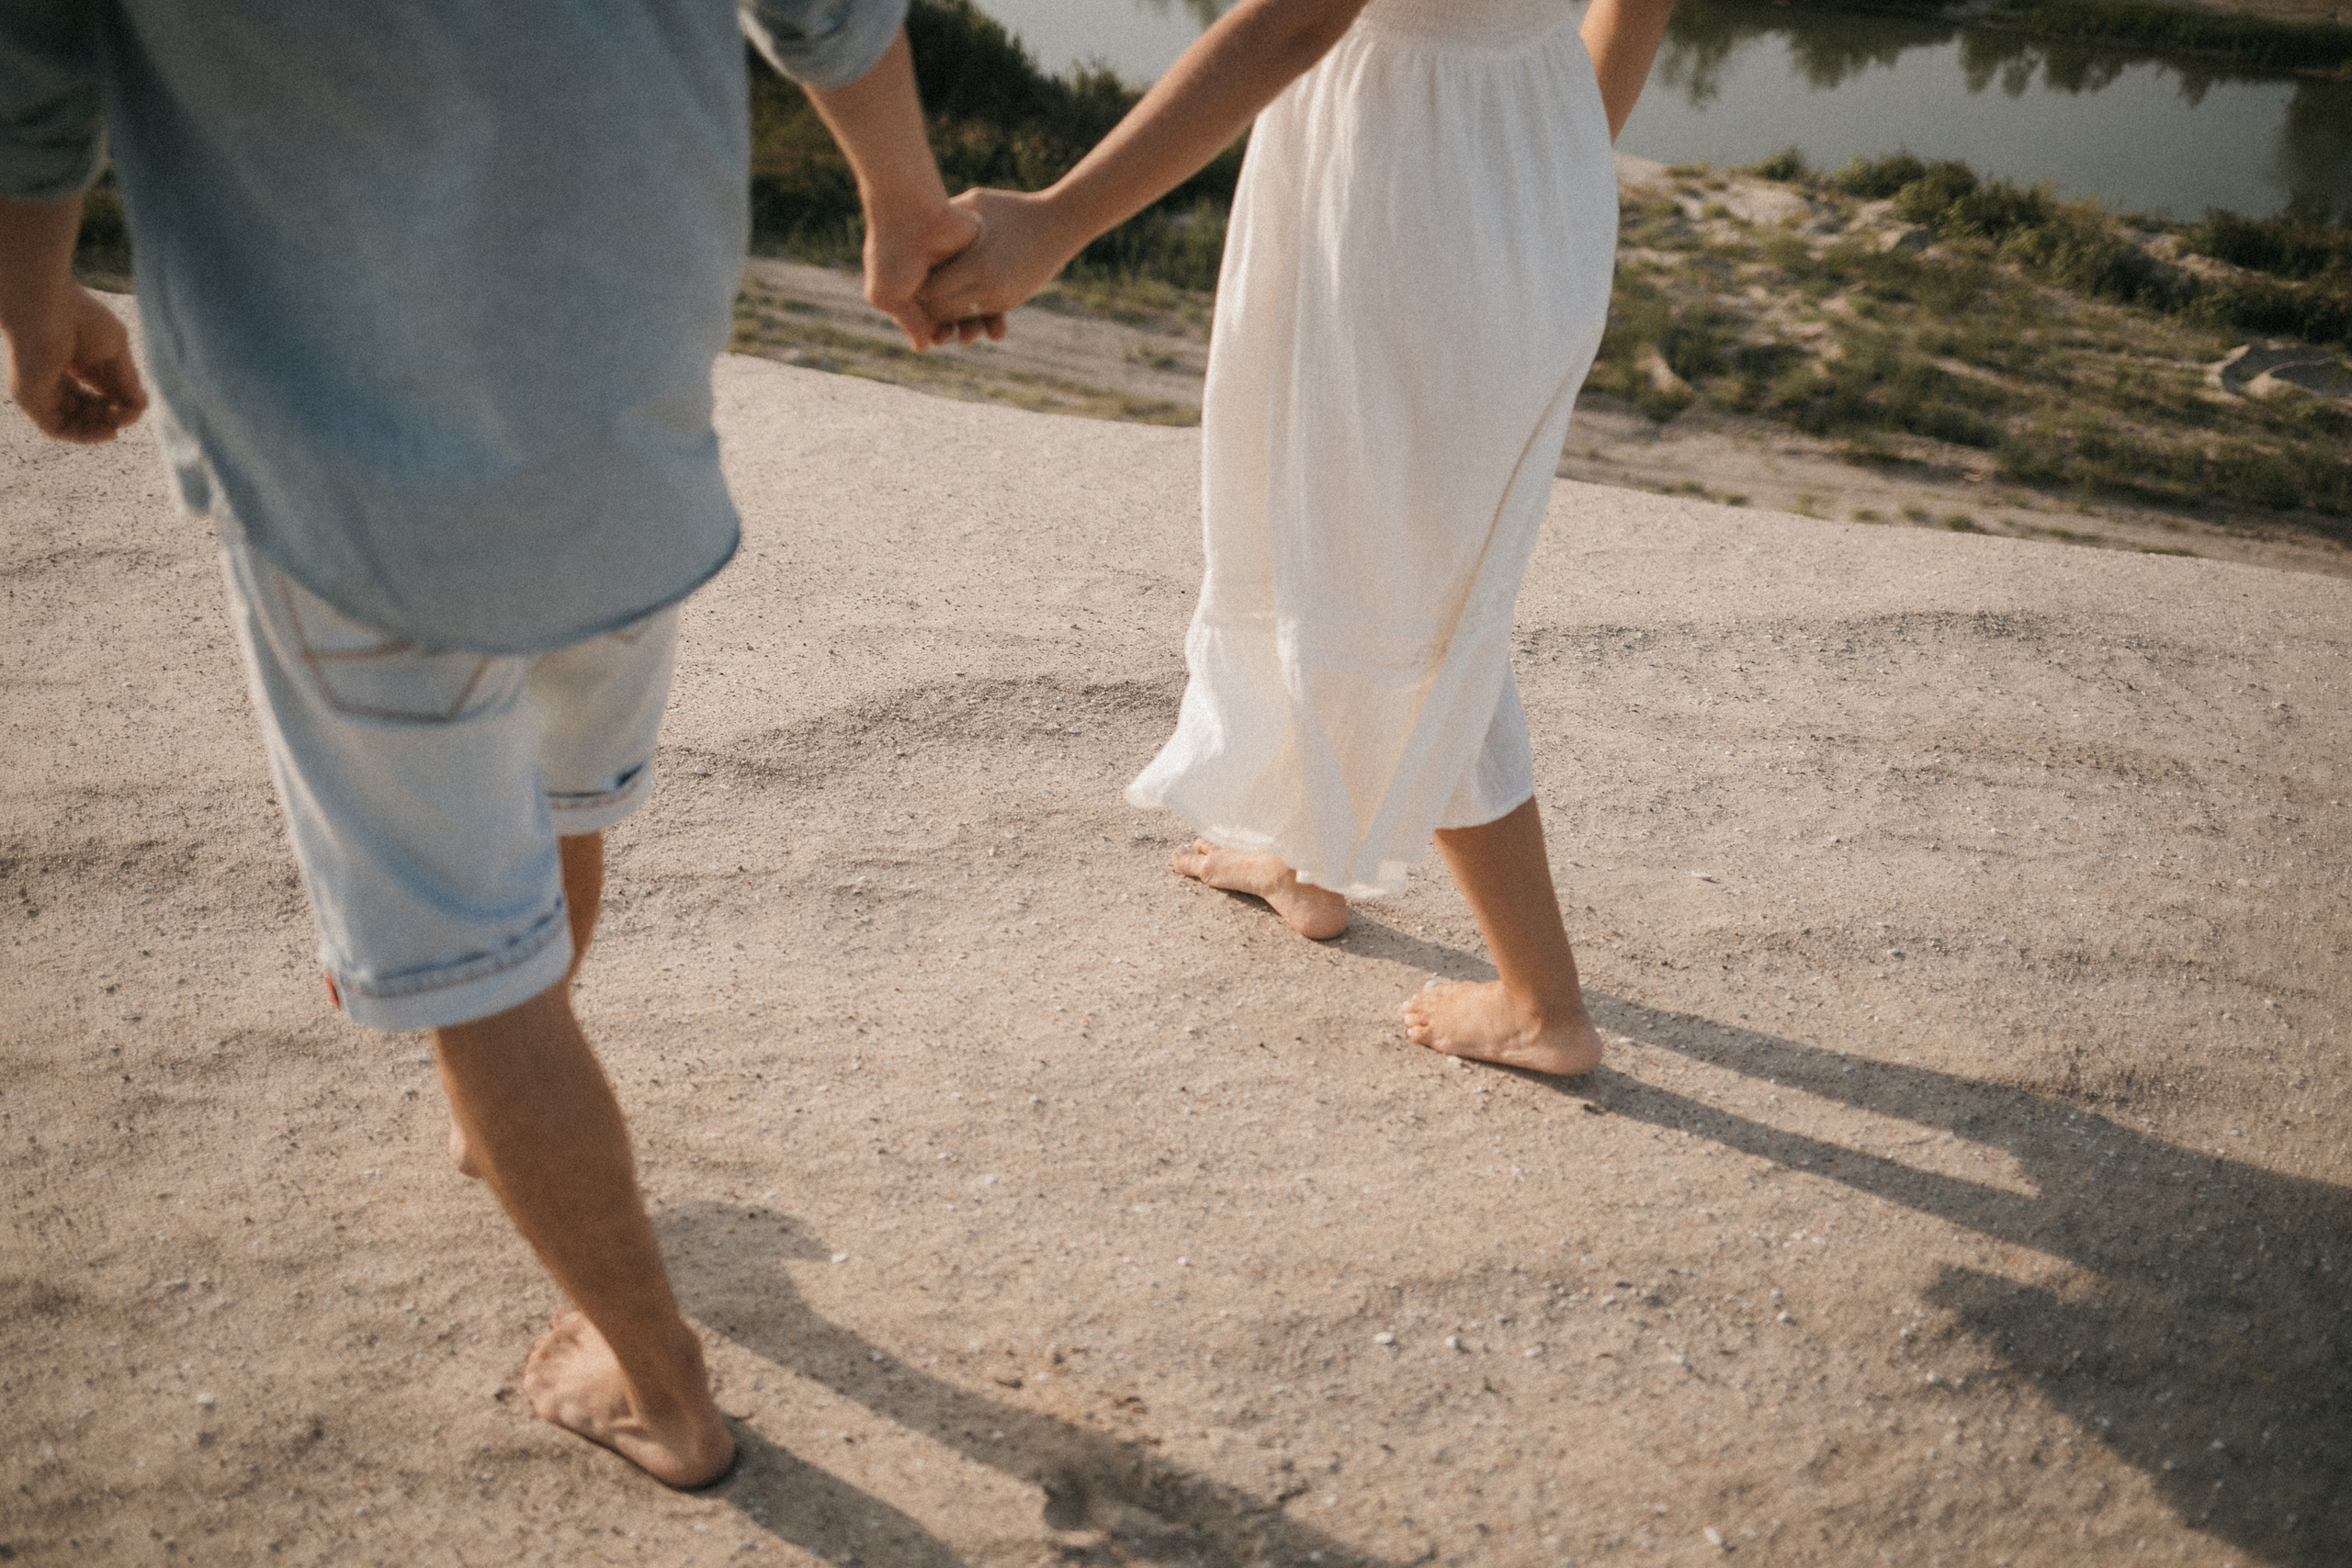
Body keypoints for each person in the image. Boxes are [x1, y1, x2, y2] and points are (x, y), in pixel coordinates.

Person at [1, 0, 982, 1487]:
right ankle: (503, 1127)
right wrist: (907, 203)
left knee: (471, 953)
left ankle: (663, 1388)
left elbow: (37, 55)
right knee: (558, 793)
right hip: (624, 420)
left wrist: (32, 293)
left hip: (348, 457)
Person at [920, 0, 1676, 1075]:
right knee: (1332, 521)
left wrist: (1059, 215)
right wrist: (1535, 173)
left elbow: (1295, 19)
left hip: (1402, 166)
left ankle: (1540, 1001)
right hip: (1525, 138)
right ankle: (1309, 858)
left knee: (1405, 579)